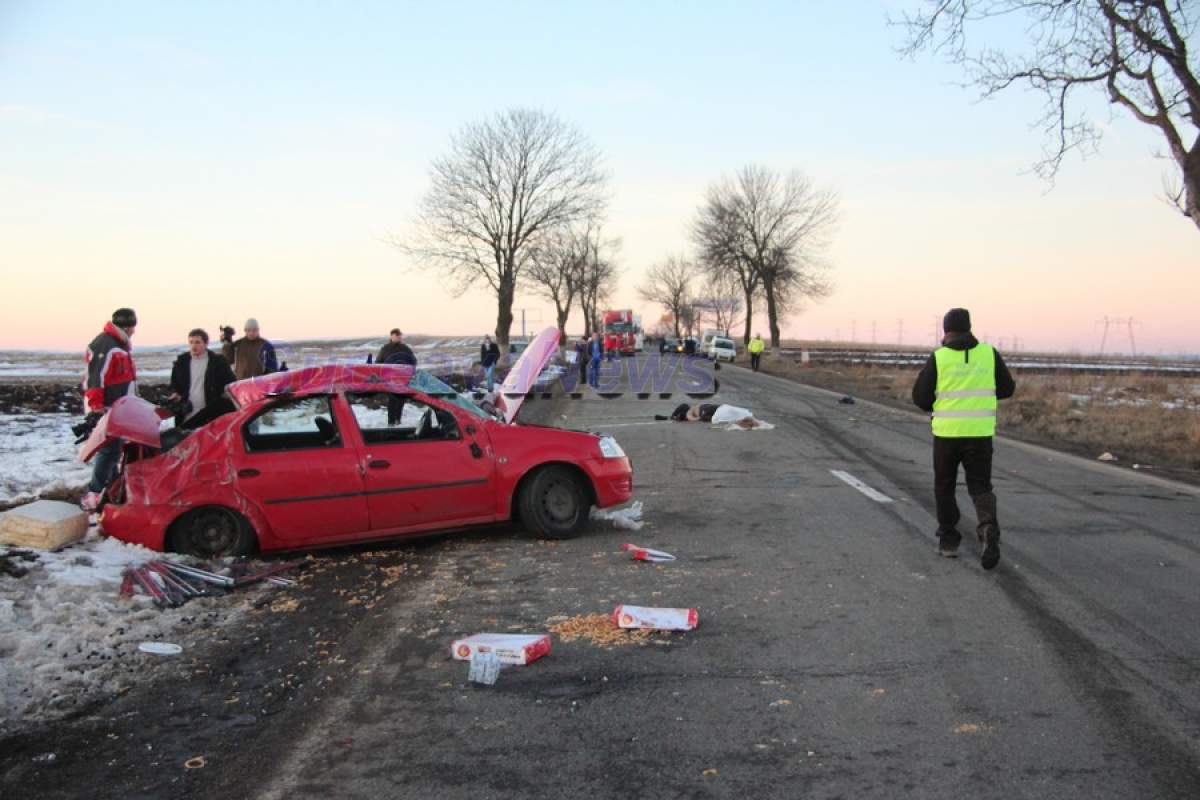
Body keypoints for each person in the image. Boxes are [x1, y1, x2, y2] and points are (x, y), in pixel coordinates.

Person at [912, 308, 1016, 569]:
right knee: (980, 486)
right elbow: (1006, 388)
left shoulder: (939, 358)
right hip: (980, 433)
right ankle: (987, 527)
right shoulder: (988, 354)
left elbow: (921, 399)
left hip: (947, 434)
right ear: (970, 328)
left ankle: (949, 542)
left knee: (944, 486)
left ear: (946, 331)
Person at [80, 308, 139, 511]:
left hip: (118, 407)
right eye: (132, 327)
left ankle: (112, 490)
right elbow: (97, 377)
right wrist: (96, 407)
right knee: (108, 451)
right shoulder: (107, 345)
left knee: (115, 450)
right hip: (107, 408)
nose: (133, 331)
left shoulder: (118, 345)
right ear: (128, 326)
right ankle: (93, 493)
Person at [168, 329, 236, 430]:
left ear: (206, 343)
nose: (193, 346)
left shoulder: (218, 362)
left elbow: (231, 383)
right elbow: (174, 385)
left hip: (210, 413)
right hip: (187, 413)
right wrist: (175, 394)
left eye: (197, 342)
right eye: (191, 342)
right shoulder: (181, 362)